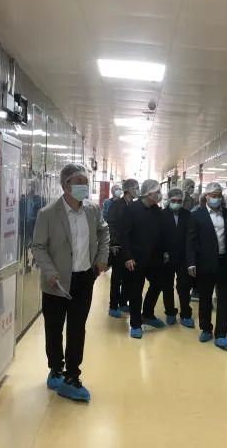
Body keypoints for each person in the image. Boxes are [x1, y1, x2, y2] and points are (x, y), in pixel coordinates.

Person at [32, 163, 109, 402]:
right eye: (78, 182)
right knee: (54, 327)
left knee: (77, 328)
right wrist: (49, 271)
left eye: (86, 182)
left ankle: (72, 376)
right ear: (65, 185)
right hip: (56, 281)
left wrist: (101, 258)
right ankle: (55, 369)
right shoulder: (48, 214)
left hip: (84, 278)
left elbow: (103, 232)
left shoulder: (92, 210)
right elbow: (38, 246)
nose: (83, 186)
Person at [187, 182, 227, 348]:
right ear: (207, 196)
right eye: (213, 196)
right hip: (205, 262)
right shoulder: (197, 215)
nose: (216, 198)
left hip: (225, 262)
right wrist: (191, 262)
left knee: (223, 298)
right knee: (205, 297)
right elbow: (191, 241)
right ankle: (206, 329)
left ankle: (221, 333)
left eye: (219, 195)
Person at [120, 179, 168, 339]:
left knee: (158, 283)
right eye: (157, 192)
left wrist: (165, 252)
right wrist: (127, 257)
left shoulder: (157, 210)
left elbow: (161, 233)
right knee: (136, 291)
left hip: (155, 258)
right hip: (136, 258)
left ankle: (147, 313)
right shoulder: (131, 209)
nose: (159, 195)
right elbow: (124, 235)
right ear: (148, 194)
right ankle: (135, 324)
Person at [161, 188, 195, 328]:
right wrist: (163, 252)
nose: (176, 203)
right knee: (167, 286)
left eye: (179, 201)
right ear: (169, 200)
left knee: (184, 286)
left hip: (183, 257)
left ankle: (186, 314)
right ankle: (170, 312)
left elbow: (191, 237)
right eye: (174, 200)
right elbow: (159, 236)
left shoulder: (188, 215)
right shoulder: (162, 215)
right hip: (167, 257)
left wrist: (191, 259)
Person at [106, 179, 139, 318]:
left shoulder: (133, 205)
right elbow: (111, 224)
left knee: (128, 276)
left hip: (129, 247)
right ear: (128, 190)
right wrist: (113, 243)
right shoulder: (116, 205)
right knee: (117, 277)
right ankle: (113, 306)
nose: (138, 190)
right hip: (118, 246)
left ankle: (123, 302)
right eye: (136, 188)